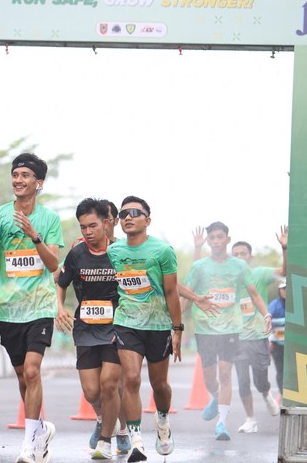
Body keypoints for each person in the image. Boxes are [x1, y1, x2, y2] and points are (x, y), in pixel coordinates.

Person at [0, 152, 63, 463]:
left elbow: (53, 265)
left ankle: (29, 445)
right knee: (21, 376)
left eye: (25, 175)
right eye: (15, 174)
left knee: (31, 370)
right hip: (9, 309)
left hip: (40, 306)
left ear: (38, 183)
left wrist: (34, 236)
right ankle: (39, 429)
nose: (18, 180)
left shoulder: (49, 219)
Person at [106, 196, 182, 463]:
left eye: (135, 213)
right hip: (127, 323)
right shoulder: (114, 251)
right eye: (124, 213)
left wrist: (177, 329)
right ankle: (136, 442)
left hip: (158, 325)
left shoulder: (163, 251)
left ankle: (162, 421)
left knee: (159, 385)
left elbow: (171, 291)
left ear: (147, 220)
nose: (128, 217)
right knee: (131, 379)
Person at [56, 198, 130, 459]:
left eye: (92, 226)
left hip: (115, 328)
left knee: (110, 385)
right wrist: (60, 307)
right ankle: (103, 419)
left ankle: (112, 438)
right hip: (85, 328)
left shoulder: (120, 252)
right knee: (91, 392)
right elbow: (61, 282)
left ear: (105, 224)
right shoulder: (77, 254)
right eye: (83, 227)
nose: (87, 231)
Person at [183, 221, 271, 441]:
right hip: (205, 329)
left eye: (219, 237)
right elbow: (186, 295)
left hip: (231, 328)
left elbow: (254, 293)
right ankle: (215, 396)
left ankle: (221, 423)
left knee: (225, 374)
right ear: (208, 240)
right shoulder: (199, 267)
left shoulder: (239, 266)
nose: (215, 241)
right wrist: (175, 324)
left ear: (227, 239)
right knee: (210, 379)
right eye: (212, 237)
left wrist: (266, 314)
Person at [227, 231, 287, 433]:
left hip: (258, 336)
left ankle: (265, 393)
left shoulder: (259, 273)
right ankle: (250, 419)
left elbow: (284, 271)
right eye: (235, 254)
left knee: (260, 379)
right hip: (237, 337)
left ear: (250, 257)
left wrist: (284, 248)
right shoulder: (227, 279)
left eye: (243, 253)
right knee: (243, 381)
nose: (239, 257)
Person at [268, 281, 286, 399]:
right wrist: (284, 321)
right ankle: (282, 394)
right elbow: (268, 320)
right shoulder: (274, 304)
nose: (285, 291)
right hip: (277, 343)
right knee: (280, 370)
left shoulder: (296, 304)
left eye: (287, 289)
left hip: (293, 345)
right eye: (283, 289)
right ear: (279, 291)